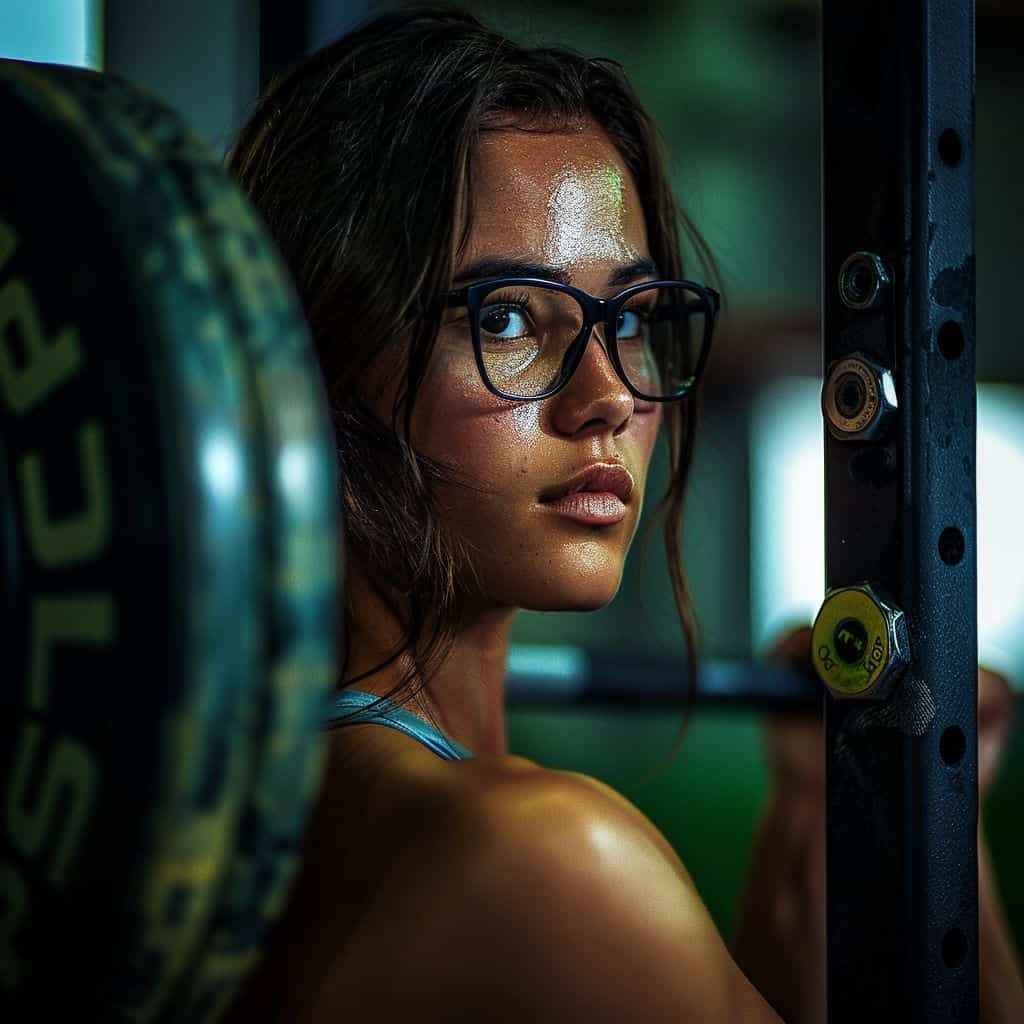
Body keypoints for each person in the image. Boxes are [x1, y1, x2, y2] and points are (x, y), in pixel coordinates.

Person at [221, 6, 1024, 1021]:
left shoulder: (270, 813)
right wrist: (959, 859)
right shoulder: (549, 864)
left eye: (633, 320)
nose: (607, 393)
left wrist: (831, 815)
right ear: (315, 360)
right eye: (505, 316)